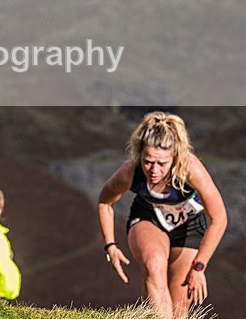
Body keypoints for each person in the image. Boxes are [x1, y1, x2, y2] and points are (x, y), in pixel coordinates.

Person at [97, 112, 227, 319]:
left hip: (188, 227)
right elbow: (105, 202)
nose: (154, 170)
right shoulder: (130, 171)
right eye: (148, 161)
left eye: (162, 163)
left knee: (178, 311)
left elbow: (219, 218)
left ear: (175, 157)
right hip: (148, 220)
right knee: (154, 266)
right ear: (139, 155)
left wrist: (199, 266)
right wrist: (110, 245)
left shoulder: (190, 169)